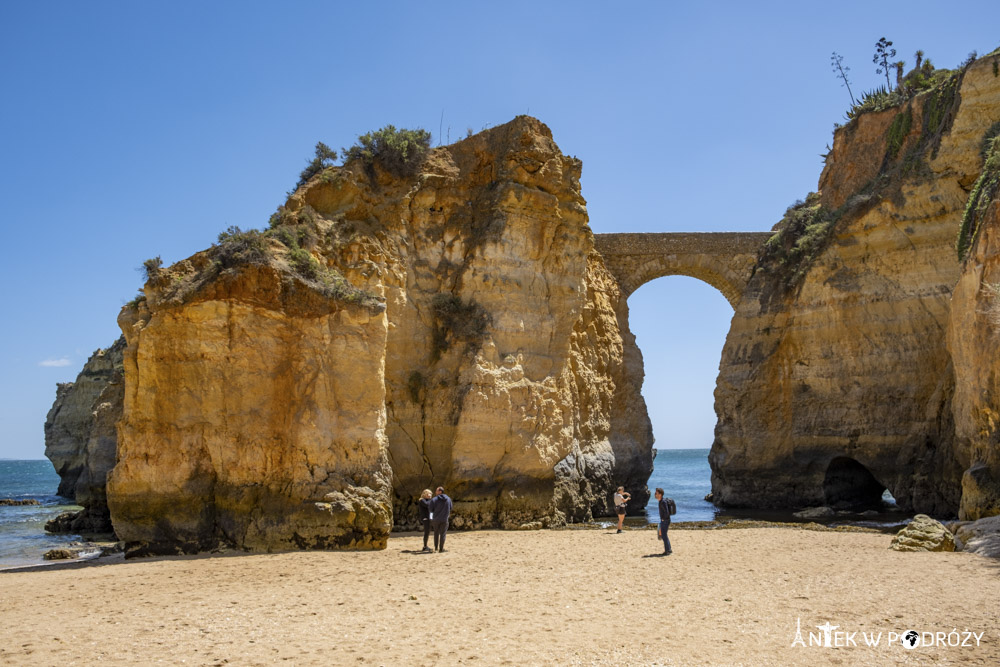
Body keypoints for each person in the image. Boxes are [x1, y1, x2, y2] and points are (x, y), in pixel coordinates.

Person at [429, 486, 453, 552]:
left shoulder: (434, 499)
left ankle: (436, 548)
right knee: (443, 534)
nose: (435, 492)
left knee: (436, 533)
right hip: (444, 519)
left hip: (436, 519)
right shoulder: (448, 499)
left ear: (440, 491)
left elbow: (430, 509)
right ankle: (441, 549)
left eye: (436, 490)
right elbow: (451, 508)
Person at [655, 487, 674, 555]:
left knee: (664, 535)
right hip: (664, 520)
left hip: (665, 520)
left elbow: (666, 512)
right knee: (663, 535)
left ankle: (668, 550)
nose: (655, 494)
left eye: (656, 493)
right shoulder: (661, 501)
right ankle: (668, 549)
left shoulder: (663, 502)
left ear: (660, 494)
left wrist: (663, 518)